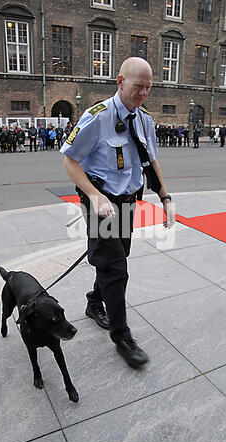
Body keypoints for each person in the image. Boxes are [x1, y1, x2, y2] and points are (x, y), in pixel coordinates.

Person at [61, 57, 175, 369]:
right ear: (120, 81)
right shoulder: (97, 117)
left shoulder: (144, 120)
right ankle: (122, 336)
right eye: (139, 86)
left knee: (117, 256)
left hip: (126, 201)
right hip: (101, 202)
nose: (144, 93)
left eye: (148, 88)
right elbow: (70, 162)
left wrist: (165, 197)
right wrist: (95, 196)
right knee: (115, 268)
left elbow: (151, 161)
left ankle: (94, 301)